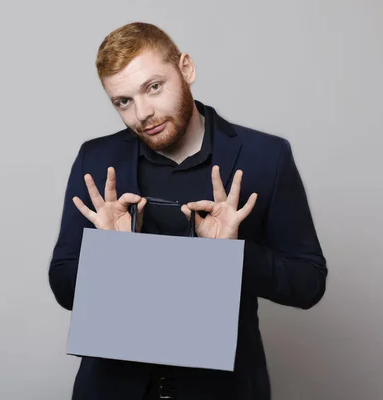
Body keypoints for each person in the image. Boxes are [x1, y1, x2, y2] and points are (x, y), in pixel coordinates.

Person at [48, 21, 327, 400]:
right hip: (114, 388)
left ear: (186, 69)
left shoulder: (266, 157)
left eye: (153, 87)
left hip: (222, 390)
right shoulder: (97, 159)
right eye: (123, 101)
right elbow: (63, 284)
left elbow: (308, 282)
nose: (142, 113)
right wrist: (108, 254)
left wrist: (231, 254)